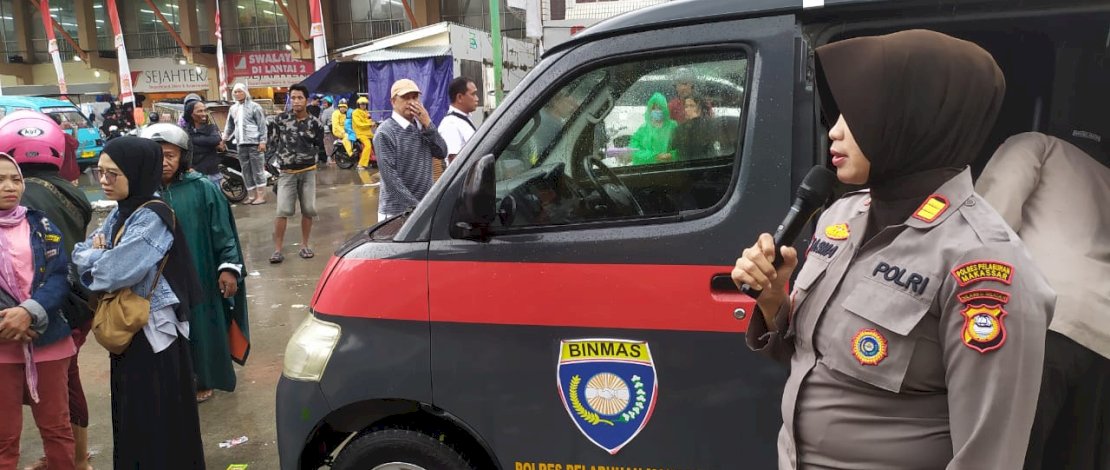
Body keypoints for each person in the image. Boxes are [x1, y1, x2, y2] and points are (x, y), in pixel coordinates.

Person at [731, 30, 1055, 469]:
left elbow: (988, 456)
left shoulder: (983, 262)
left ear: (913, 118)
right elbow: (813, 357)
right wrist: (774, 299)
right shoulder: (841, 218)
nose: (836, 129)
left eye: (857, 112)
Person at [975, 53, 1110, 470]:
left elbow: (987, 225)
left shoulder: (1034, 145)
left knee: (1010, 457)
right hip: (1103, 346)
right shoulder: (1104, 178)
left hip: (1042, 327)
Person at [72, 137, 205, 469]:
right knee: (135, 411)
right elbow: (79, 256)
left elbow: (114, 271)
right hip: (132, 330)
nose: (103, 181)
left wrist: (99, 256)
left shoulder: (152, 217)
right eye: (100, 173)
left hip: (154, 333)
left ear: (136, 171)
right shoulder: (122, 213)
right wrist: (98, 256)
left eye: (111, 174)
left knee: (156, 413)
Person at [0, 111, 93, 470]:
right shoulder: (70, 195)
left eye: (14, 179)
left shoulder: (40, 223)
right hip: (4, 344)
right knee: (5, 435)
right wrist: (9, 320)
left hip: (48, 336)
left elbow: (59, 273)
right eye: (1, 180)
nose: (9, 186)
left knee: (57, 428)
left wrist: (30, 311)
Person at [141, 123, 250, 404]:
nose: (164, 162)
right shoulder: (140, 190)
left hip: (198, 272)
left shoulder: (202, 188)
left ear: (182, 157)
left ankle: (203, 377)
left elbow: (223, 232)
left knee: (200, 324)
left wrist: (228, 268)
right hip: (155, 277)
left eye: (170, 155)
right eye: (157, 155)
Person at [373, 79, 448, 221]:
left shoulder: (422, 127)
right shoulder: (385, 132)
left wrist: (428, 124)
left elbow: (441, 152)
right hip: (397, 213)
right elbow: (391, 180)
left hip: (422, 208)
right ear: (393, 102)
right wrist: (417, 208)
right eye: (405, 97)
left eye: (414, 97)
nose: (411, 102)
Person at [269, 84, 325, 264]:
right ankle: (277, 250)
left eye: (300, 97)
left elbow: (318, 145)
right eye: (293, 98)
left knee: (308, 209)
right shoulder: (281, 120)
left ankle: (305, 245)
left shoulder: (315, 123)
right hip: (286, 172)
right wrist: (271, 165)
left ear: (306, 100)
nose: (296, 101)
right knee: (282, 211)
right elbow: (272, 143)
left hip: (308, 172)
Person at [223, 82, 269, 205]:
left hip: (254, 143)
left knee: (258, 170)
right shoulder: (233, 108)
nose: (237, 94)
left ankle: (261, 196)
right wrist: (224, 139)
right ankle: (251, 195)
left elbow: (262, 125)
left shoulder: (255, 107)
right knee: (246, 171)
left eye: (240, 91)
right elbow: (230, 126)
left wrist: (262, 141)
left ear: (245, 92)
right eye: (235, 92)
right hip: (240, 144)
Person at [438, 76, 480, 168]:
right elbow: (455, 163)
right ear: (460, 97)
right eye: (473, 94)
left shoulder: (463, 120)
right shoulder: (450, 125)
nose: (477, 98)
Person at [183, 100, 225, 186]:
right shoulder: (185, 131)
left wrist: (193, 139)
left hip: (212, 173)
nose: (204, 114)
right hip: (194, 173)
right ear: (191, 114)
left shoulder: (211, 128)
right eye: (200, 111)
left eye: (204, 110)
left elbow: (215, 140)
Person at [629, 92, 677, 165]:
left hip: (669, 168)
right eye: (654, 108)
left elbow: (682, 148)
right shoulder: (643, 129)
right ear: (649, 110)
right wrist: (654, 157)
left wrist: (671, 155)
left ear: (665, 109)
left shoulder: (672, 126)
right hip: (648, 170)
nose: (657, 111)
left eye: (660, 108)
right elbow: (634, 150)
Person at [671, 94, 717, 160]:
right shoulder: (679, 129)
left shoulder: (709, 126)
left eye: (692, 106)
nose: (688, 109)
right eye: (686, 106)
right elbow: (676, 151)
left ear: (700, 109)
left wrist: (696, 120)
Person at [352, 96, 375, 169]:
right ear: (358, 104)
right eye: (362, 104)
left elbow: (369, 121)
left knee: (378, 141)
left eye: (364, 104)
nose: (363, 105)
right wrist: (370, 124)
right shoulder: (355, 112)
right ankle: (361, 164)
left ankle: (374, 160)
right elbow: (359, 124)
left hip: (368, 133)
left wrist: (374, 123)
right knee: (367, 146)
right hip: (360, 133)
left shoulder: (366, 112)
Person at [319, 97, 337, 162]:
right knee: (334, 144)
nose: (323, 104)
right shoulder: (334, 109)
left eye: (325, 103)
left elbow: (323, 122)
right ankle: (335, 159)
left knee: (328, 145)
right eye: (323, 103)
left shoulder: (326, 111)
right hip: (334, 129)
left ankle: (330, 160)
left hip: (328, 131)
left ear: (329, 103)